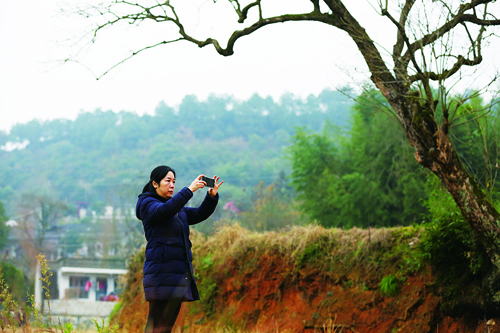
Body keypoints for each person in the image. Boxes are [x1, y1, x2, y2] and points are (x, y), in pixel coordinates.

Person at [136, 165, 223, 333]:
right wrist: (189, 190)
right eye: (167, 181)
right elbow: (163, 211)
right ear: (155, 184)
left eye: (174, 181)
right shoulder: (147, 203)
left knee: (165, 327)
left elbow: (198, 214)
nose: (172, 185)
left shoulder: (176, 209)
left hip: (176, 276)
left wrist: (211, 198)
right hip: (161, 274)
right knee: (156, 326)